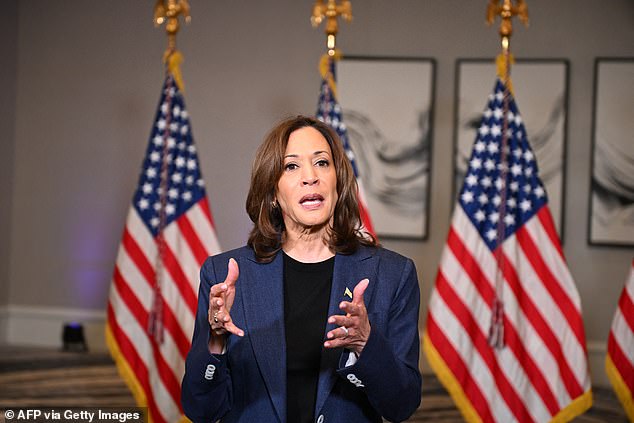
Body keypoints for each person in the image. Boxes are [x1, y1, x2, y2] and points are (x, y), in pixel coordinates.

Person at [181, 116, 421, 423]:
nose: (311, 177)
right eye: (291, 166)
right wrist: (215, 340)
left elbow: (401, 406)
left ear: (338, 181)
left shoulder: (392, 275)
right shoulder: (224, 275)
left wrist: (365, 343)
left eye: (322, 163)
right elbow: (201, 411)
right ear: (272, 192)